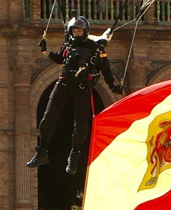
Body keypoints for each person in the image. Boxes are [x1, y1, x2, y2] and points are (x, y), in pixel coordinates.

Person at [27, 16, 123, 175]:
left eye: (79, 30)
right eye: (74, 30)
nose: (77, 33)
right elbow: (60, 59)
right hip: (64, 84)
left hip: (82, 88)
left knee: (81, 125)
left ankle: (75, 155)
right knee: (48, 117)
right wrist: (45, 51)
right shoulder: (68, 45)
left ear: (85, 31)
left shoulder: (97, 49)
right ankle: (42, 151)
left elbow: (106, 70)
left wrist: (113, 86)